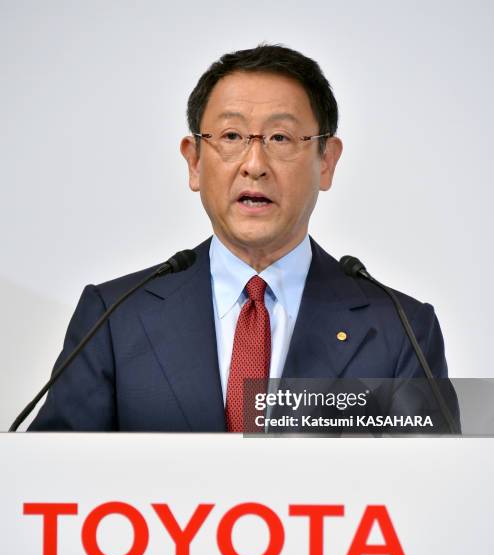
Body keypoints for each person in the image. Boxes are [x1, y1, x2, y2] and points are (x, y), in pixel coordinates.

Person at [28, 44, 459, 432]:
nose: (255, 164)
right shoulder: (114, 319)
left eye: (280, 138)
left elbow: (430, 491)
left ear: (325, 162)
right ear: (194, 161)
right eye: (231, 136)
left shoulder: (400, 330)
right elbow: (53, 482)